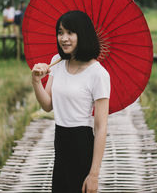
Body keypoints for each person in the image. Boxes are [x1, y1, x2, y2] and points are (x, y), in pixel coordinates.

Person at [31, 10, 110, 193]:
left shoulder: (98, 74)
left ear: (82, 34)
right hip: (60, 142)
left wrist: (94, 175)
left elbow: (101, 127)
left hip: (81, 143)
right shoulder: (56, 63)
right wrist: (35, 81)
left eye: (70, 33)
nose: (64, 38)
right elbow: (47, 105)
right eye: (60, 32)